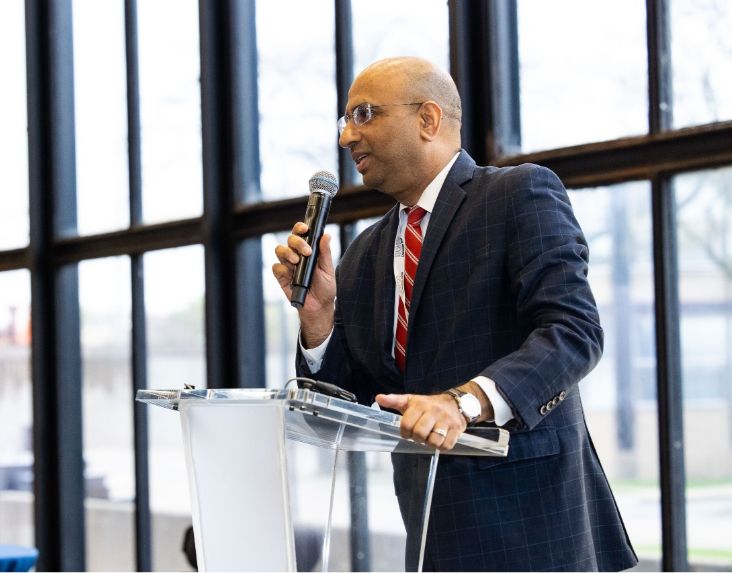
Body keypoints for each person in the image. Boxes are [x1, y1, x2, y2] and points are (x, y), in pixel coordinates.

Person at [273, 56, 637, 571]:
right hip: (432, 536)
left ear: (428, 119)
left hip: (535, 535)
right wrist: (318, 320)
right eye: (345, 121)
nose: (346, 137)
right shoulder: (365, 253)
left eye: (364, 114)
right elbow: (350, 398)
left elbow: (574, 331)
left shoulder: (517, 194)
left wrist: (461, 403)